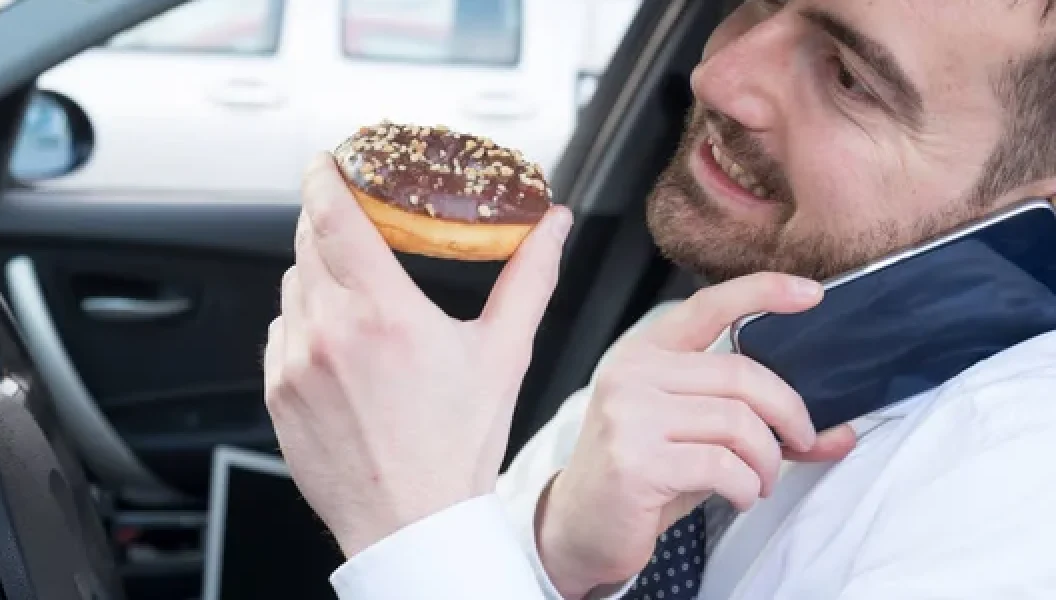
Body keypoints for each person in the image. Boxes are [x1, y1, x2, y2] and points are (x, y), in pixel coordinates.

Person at [263, 1, 1056, 598]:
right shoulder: (700, 341)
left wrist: (415, 518)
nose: (719, 74)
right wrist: (559, 552)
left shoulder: (1018, 513)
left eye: (849, 77)